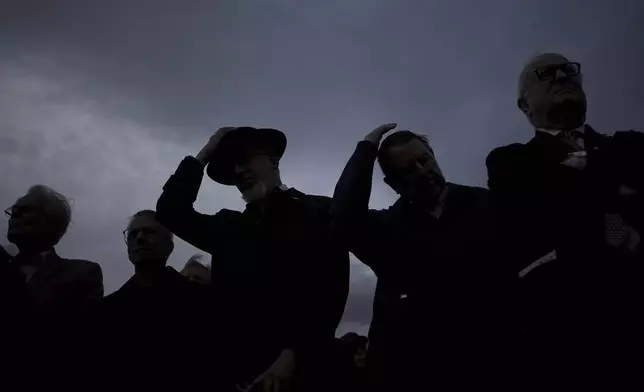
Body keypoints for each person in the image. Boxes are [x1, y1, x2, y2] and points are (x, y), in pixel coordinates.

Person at [486, 52, 644, 377]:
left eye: (568, 70)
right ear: (524, 105)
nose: (561, 77)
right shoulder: (509, 162)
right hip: (563, 344)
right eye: (545, 73)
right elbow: (540, 214)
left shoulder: (633, 146)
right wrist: (617, 188)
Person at [157, 126, 350, 391]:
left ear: (273, 160)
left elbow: (331, 290)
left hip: (306, 377)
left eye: (244, 159)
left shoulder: (319, 212)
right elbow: (171, 211)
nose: (238, 172)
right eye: (230, 168)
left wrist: (294, 353)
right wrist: (205, 153)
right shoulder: (229, 228)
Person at [331, 124, 516, 390]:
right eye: (407, 170)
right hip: (409, 374)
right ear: (393, 183)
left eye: (424, 160)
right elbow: (342, 219)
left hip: (491, 368)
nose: (422, 171)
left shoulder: (487, 206)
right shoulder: (385, 231)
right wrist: (366, 149)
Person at [83, 210, 212, 383]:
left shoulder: (204, 301)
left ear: (169, 245)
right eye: (133, 234)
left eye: (149, 232)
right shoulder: (104, 311)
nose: (140, 238)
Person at [3, 185, 103, 371]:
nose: (14, 215)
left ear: (51, 222)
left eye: (25, 210)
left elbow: (69, 340)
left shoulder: (82, 273)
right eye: (13, 211)